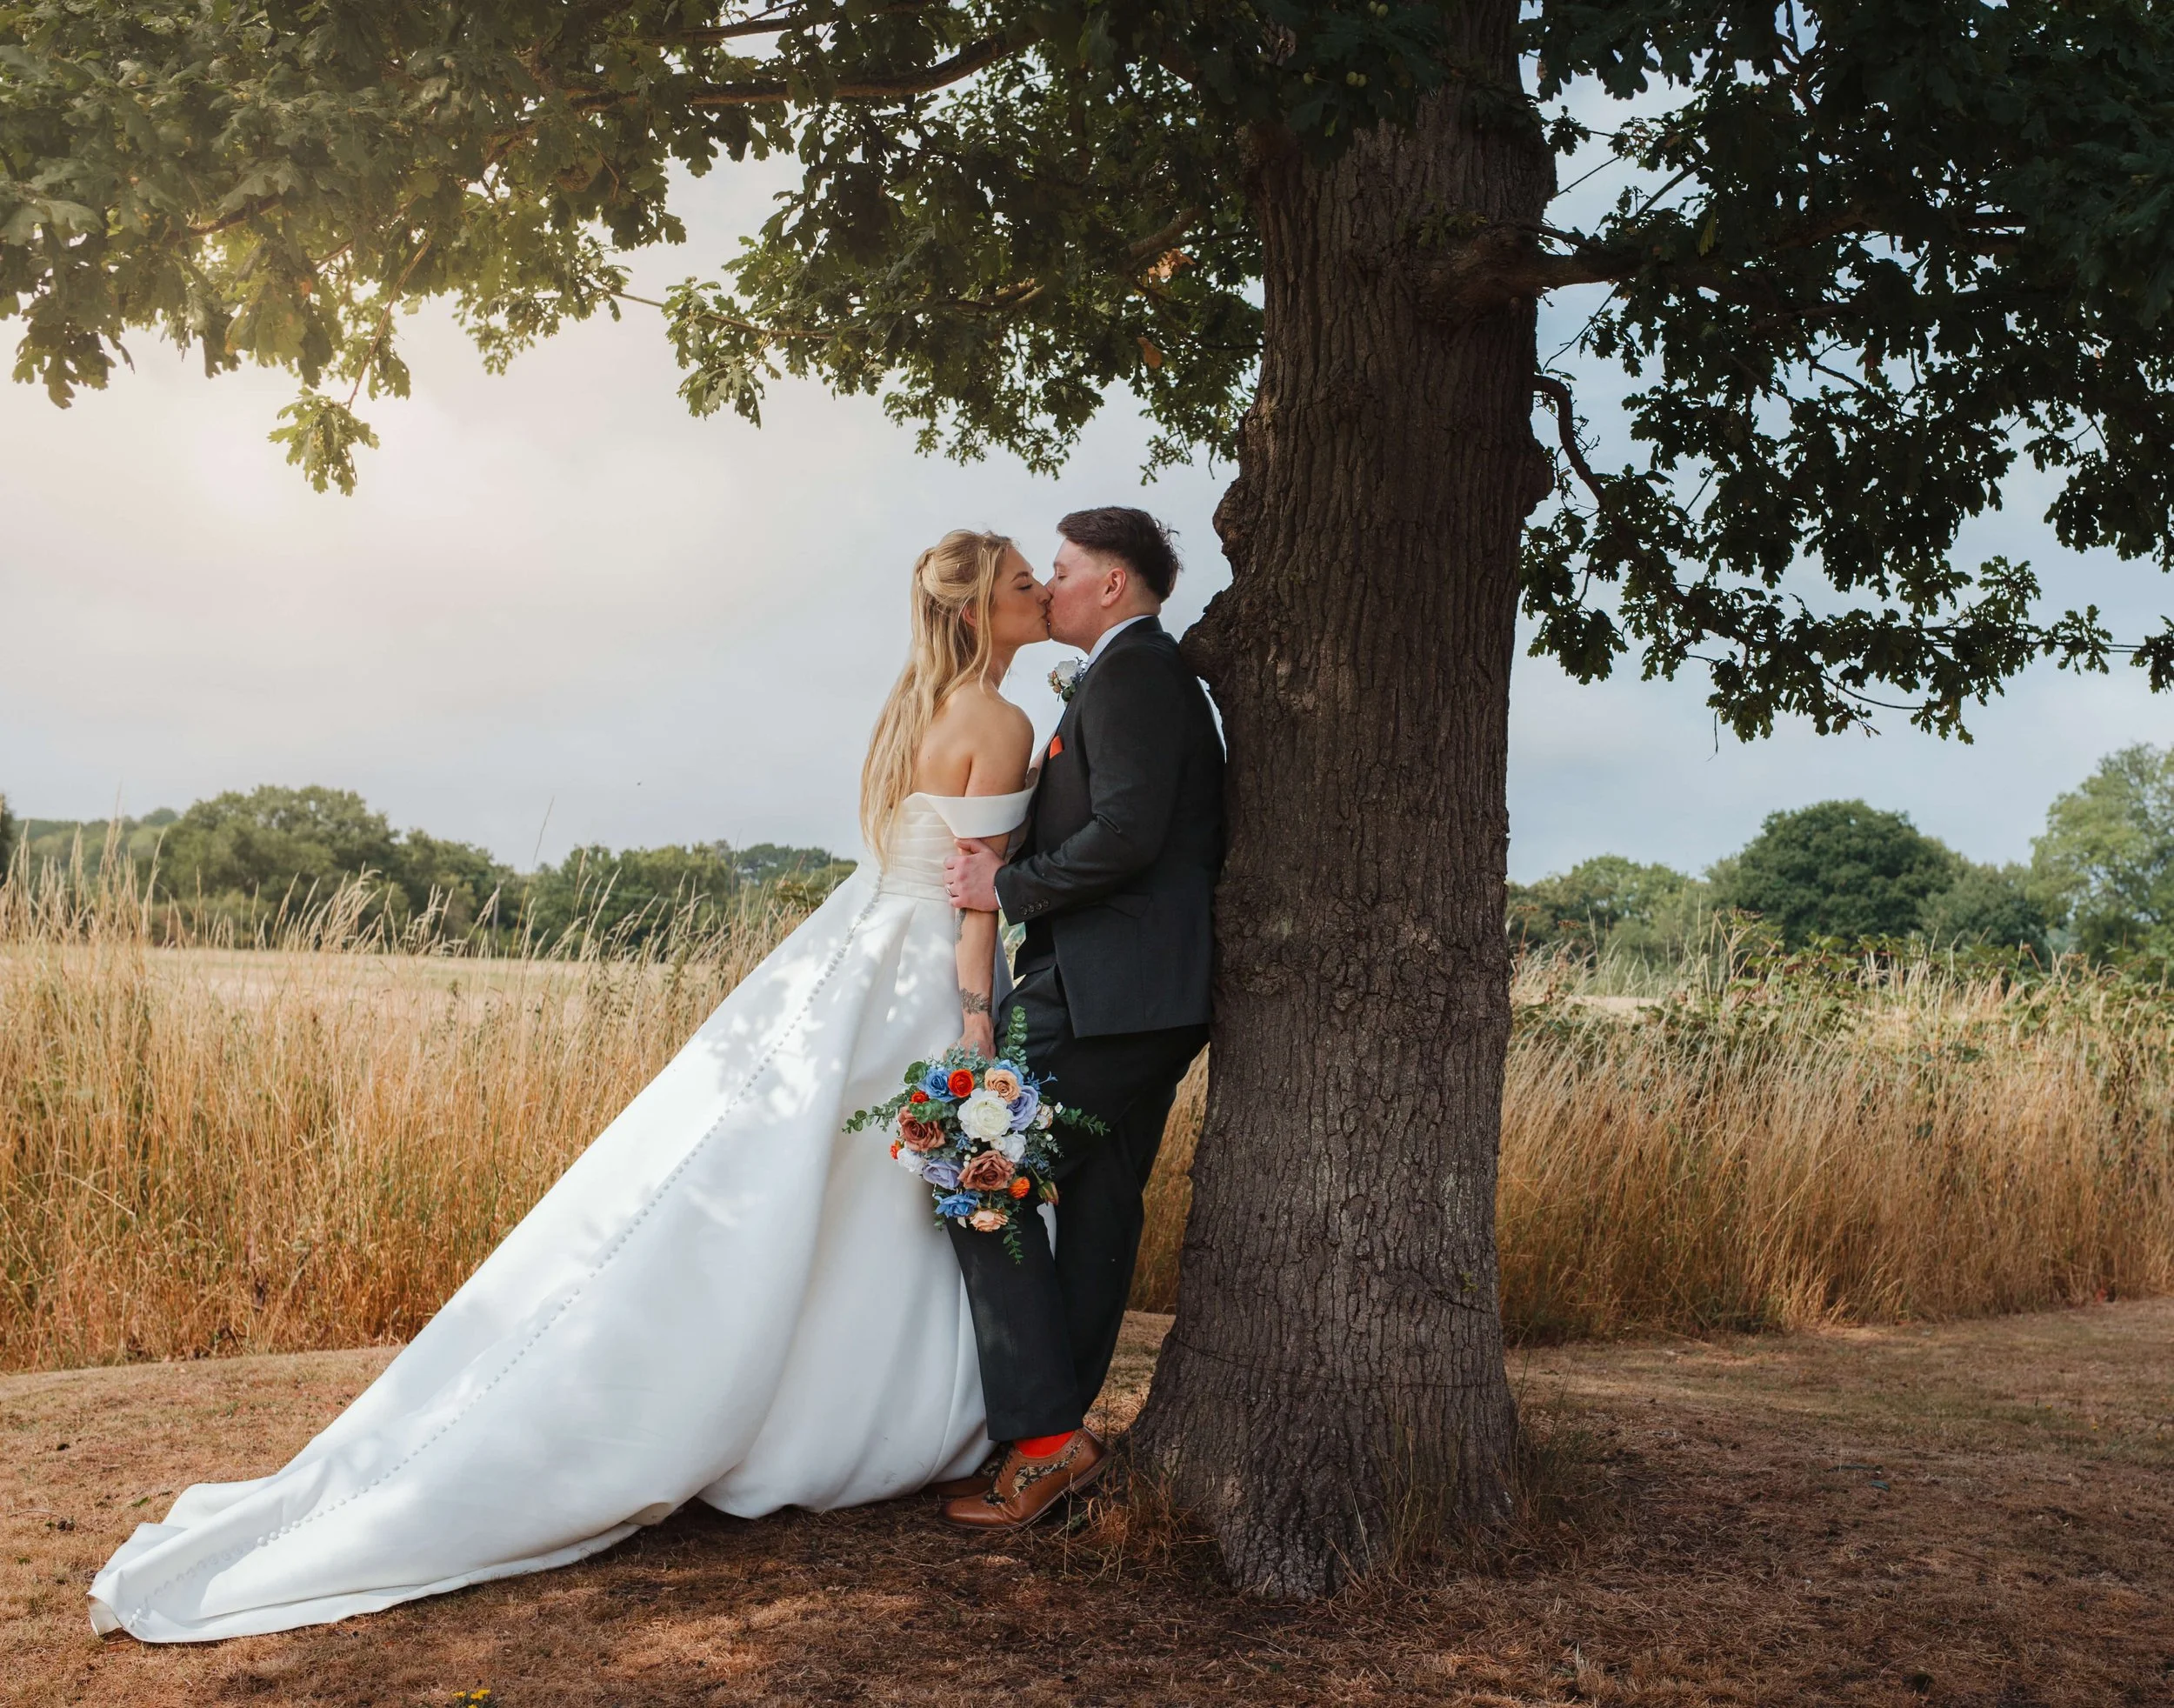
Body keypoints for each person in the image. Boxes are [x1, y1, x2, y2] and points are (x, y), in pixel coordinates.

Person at [88, 530, 1054, 1642]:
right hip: (917, 976)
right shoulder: (1000, 718)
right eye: (1023, 584)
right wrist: (978, 1023)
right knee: (860, 1207)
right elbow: (975, 899)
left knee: (812, 1196)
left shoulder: (911, 713)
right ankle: (837, 1418)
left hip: (849, 956)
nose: (1040, 595)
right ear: (979, 609)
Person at [938, 506, 1224, 1531]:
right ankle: (1054, 1441)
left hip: (1111, 993)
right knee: (1098, 1201)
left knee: (971, 1170)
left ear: (1110, 585)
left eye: (1058, 570)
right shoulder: (1122, 672)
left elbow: (1129, 833)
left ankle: (1049, 1438)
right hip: (1137, 994)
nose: (1045, 585)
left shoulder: (1137, 670)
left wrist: (1007, 882)